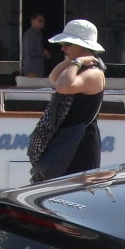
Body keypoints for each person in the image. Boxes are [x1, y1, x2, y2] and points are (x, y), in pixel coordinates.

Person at [25, 19, 107, 183]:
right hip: (68, 140)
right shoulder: (78, 67)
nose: (62, 48)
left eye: (67, 44)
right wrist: (73, 60)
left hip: (79, 144)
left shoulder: (94, 72)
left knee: (73, 192)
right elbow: (54, 78)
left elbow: (63, 86)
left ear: (82, 46)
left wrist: (77, 61)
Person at [20, 13, 50, 77]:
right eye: (40, 21)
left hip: (38, 69)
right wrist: (43, 54)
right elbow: (29, 52)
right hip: (32, 69)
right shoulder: (30, 34)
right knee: (33, 86)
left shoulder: (39, 34)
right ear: (32, 21)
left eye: (43, 21)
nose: (42, 23)